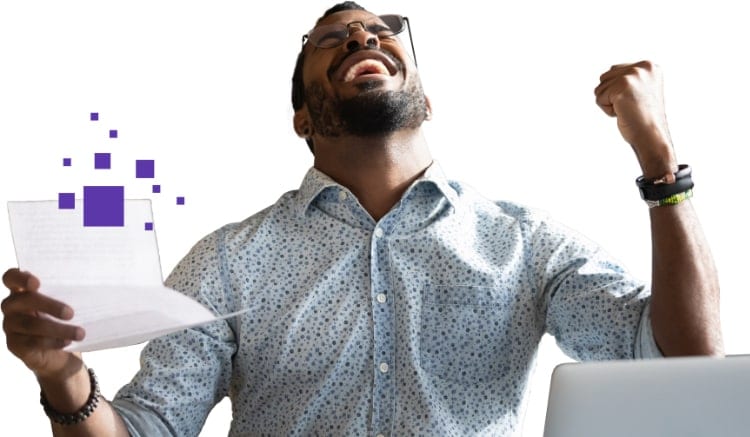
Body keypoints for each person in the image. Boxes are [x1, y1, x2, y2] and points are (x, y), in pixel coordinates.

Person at [1, 2, 723, 436]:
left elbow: (684, 360)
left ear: (426, 98)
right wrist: (64, 377)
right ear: (302, 117)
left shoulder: (526, 242)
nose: (364, 38)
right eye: (333, 40)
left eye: (381, 31)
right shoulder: (227, 260)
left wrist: (662, 165)